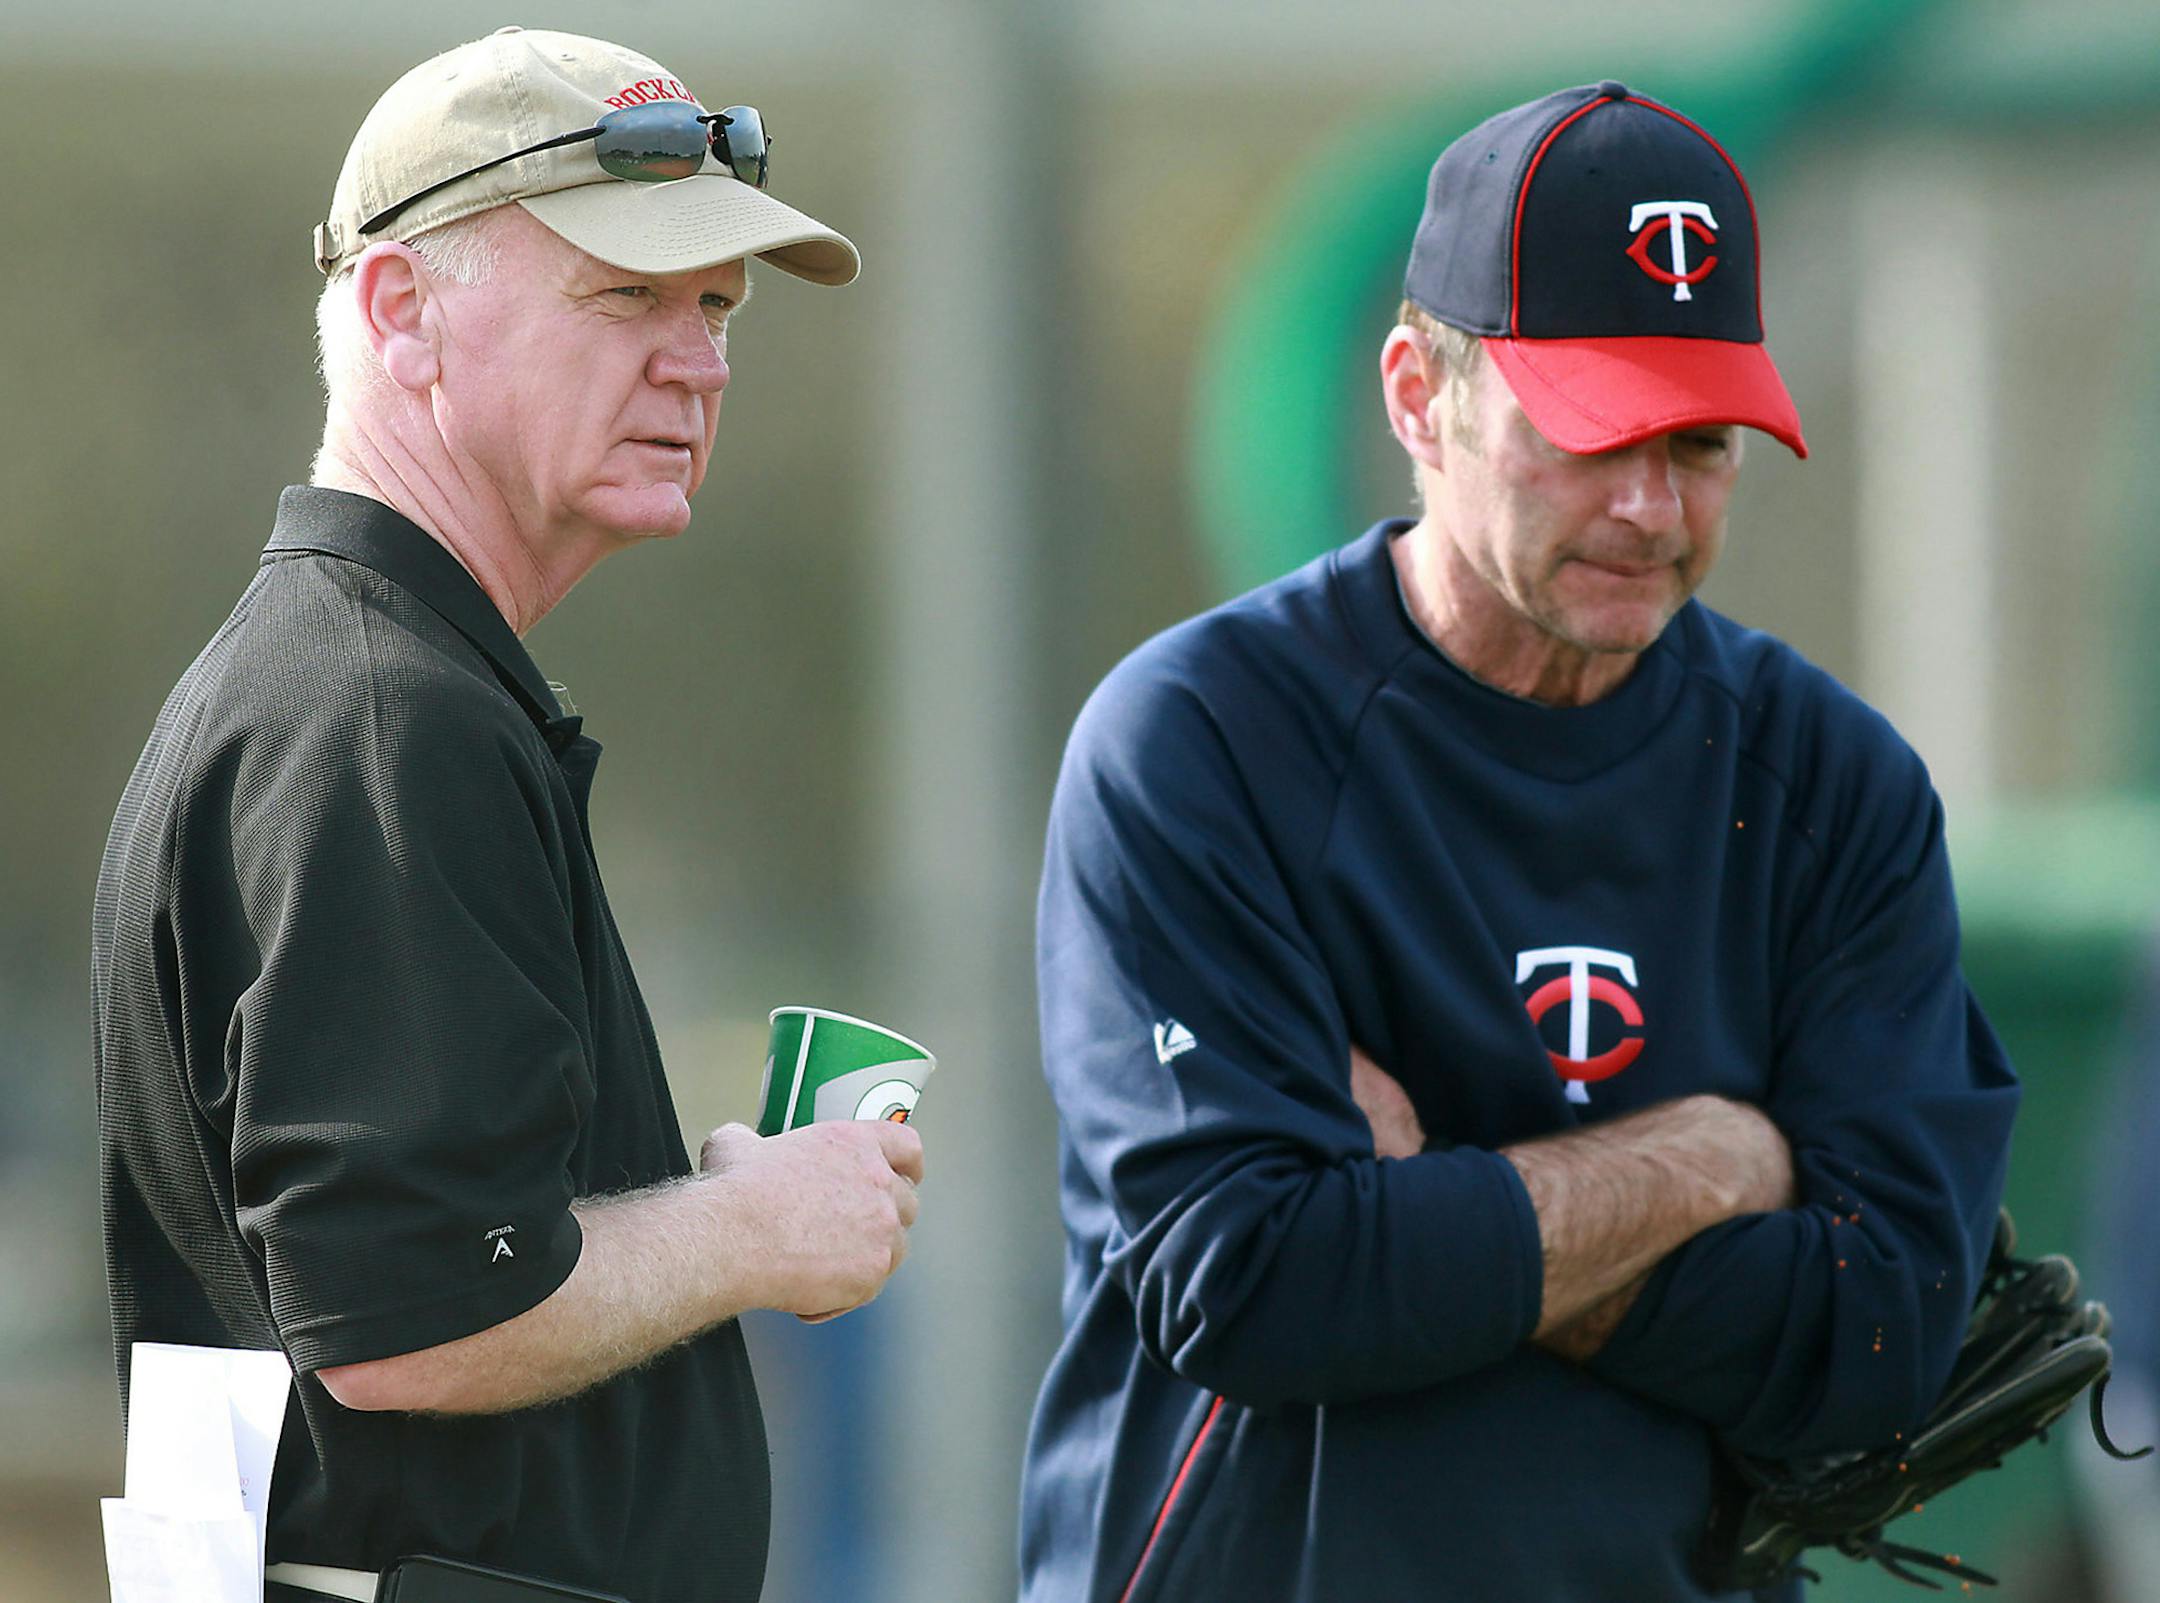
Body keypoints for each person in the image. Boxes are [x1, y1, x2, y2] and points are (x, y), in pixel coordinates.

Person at [1018, 81, 2019, 1602]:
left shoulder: (1831, 781)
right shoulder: (1206, 741)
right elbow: (1259, 1282)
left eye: (1699, 445)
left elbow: (1878, 1336)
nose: (1646, 504)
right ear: (1422, 396)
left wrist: (1433, 1191)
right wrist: (1707, 1160)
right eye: (1592, 430)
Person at [93, 28, 921, 1603]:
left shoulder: (356, 684)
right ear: (404, 312)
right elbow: (411, 1317)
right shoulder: (381, 714)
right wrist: (753, 1230)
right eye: (627, 296)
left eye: (719, 307)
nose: (700, 359)